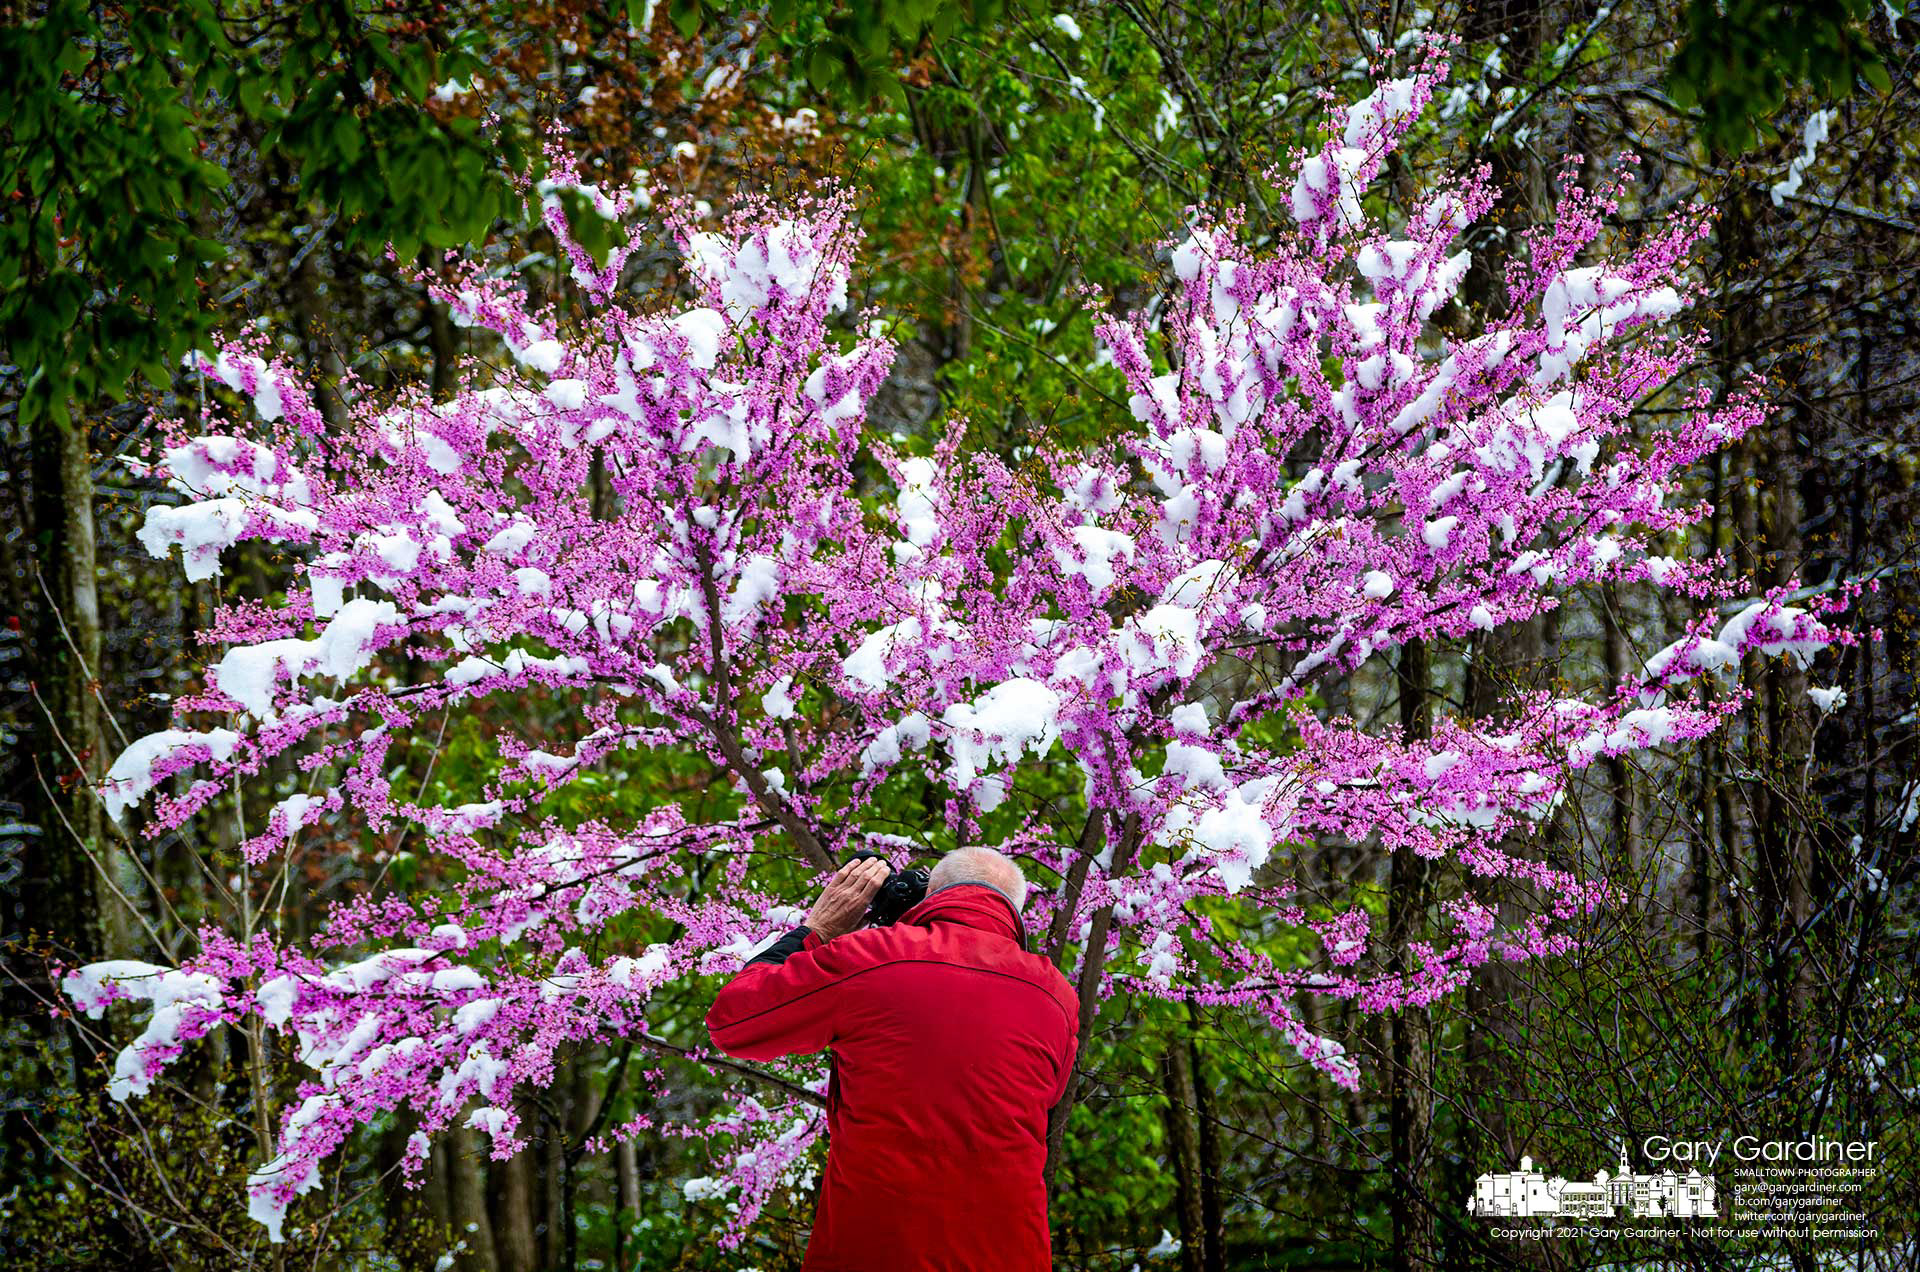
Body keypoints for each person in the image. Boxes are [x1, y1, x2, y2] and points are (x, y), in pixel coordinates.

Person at [706, 845, 1079, 1271]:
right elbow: (1046, 1096)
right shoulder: (1058, 997)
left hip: (878, 1250)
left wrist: (818, 930)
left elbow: (733, 1020)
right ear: (1014, 911)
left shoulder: (873, 958)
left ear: (932, 895)